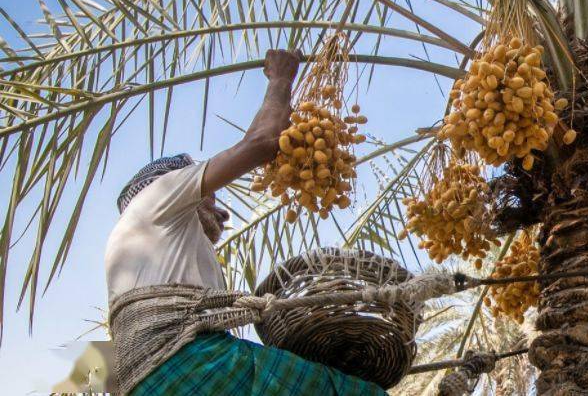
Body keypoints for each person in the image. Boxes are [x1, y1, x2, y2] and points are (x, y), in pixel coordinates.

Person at [104, 49, 387, 395]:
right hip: (189, 364)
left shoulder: (152, 245)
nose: (223, 212)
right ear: (177, 184)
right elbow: (263, 143)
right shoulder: (158, 195)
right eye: (208, 197)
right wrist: (281, 78)